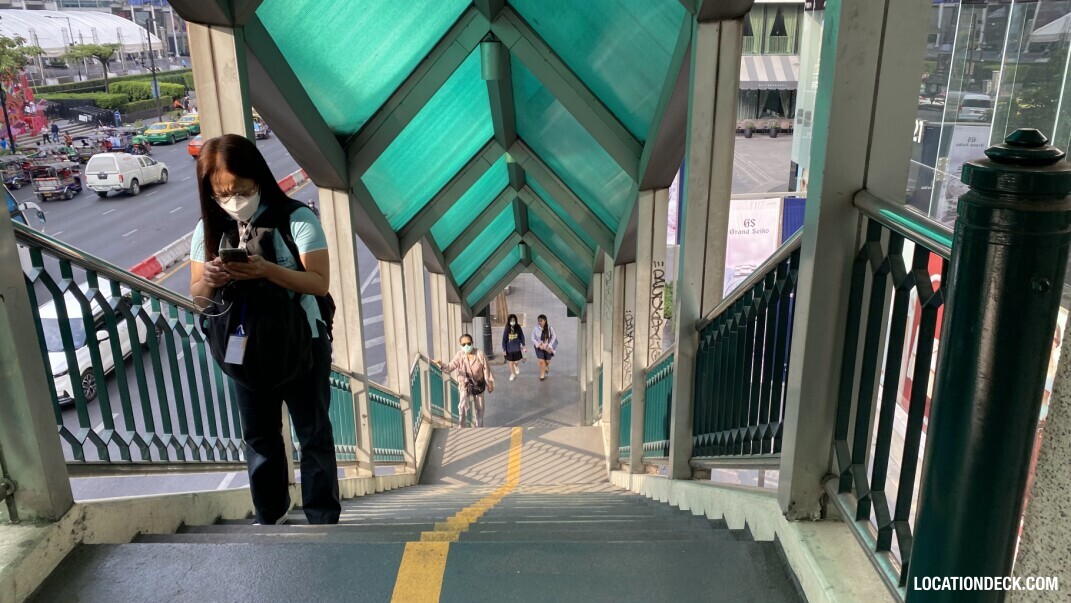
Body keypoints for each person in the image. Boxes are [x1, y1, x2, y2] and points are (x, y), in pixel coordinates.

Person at [189, 134, 340, 525]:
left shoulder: (296, 218)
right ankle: (270, 515)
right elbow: (199, 300)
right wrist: (210, 279)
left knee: (313, 433)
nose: (234, 200)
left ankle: (322, 517)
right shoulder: (208, 229)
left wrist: (267, 270)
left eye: (242, 190)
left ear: (258, 178)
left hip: (301, 342)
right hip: (243, 346)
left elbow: (319, 282)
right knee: (259, 437)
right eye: (223, 193)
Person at [434, 334, 494, 428]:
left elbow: (486, 369)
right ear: (461, 345)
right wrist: (440, 363)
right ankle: (462, 427)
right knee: (462, 407)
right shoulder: (460, 355)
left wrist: (490, 383)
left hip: (478, 385)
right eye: (463, 344)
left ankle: (479, 428)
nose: (466, 346)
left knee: (479, 409)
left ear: (472, 343)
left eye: (468, 343)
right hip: (465, 385)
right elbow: (450, 367)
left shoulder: (480, 354)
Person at [532, 314, 557, 381]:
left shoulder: (549, 328)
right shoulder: (536, 328)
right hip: (539, 347)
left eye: (541, 321)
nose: (539, 322)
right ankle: (542, 375)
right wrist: (538, 345)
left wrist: (549, 345)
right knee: (541, 361)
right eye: (538, 321)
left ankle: (546, 366)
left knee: (547, 361)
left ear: (545, 320)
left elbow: (554, 337)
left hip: (548, 347)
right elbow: (533, 337)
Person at [501, 313, 526, 381]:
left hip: (517, 348)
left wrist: (523, 345)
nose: (512, 322)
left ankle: (516, 366)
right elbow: (504, 339)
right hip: (509, 349)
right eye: (511, 320)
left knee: (516, 361)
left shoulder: (518, 327)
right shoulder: (507, 328)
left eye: (513, 320)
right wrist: (504, 349)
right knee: (511, 362)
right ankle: (512, 374)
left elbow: (521, 336)